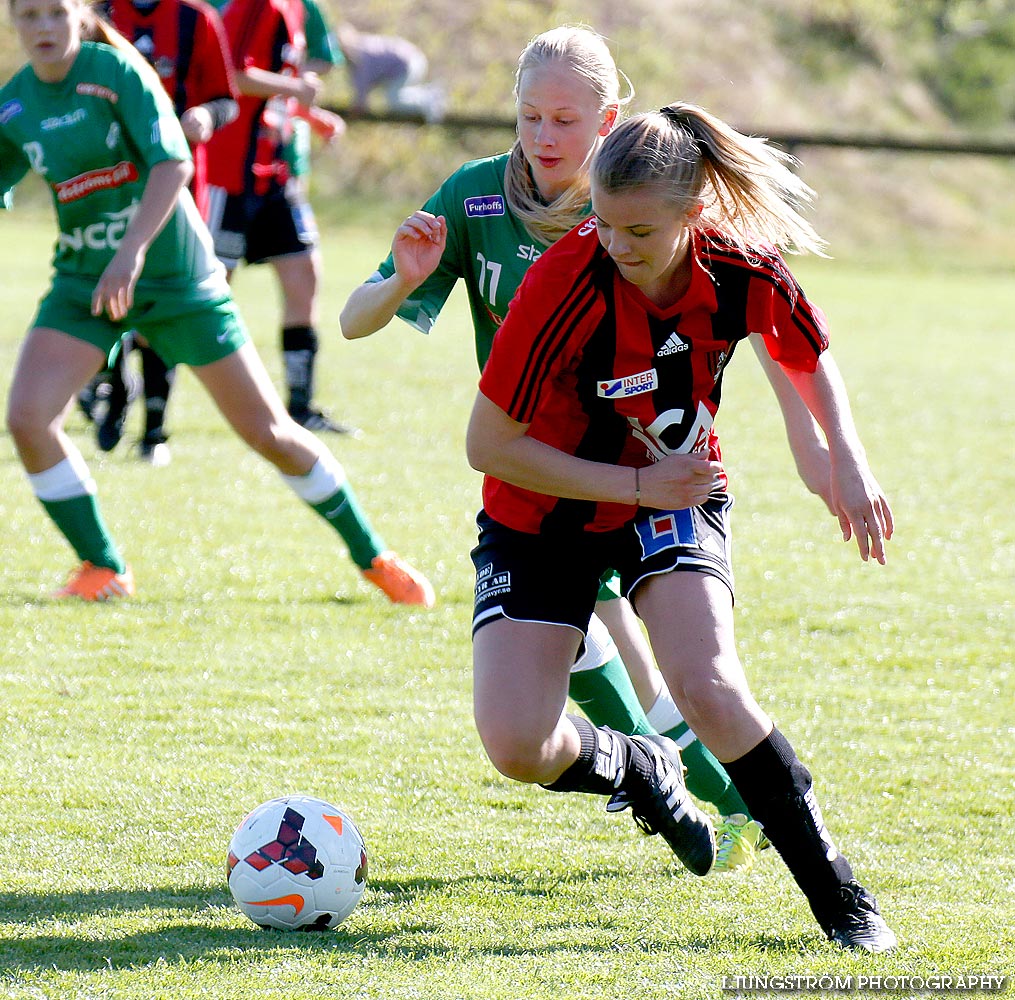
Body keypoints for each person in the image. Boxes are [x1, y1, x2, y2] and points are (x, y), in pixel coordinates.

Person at [341, 26, 833, 874]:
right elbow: (355, 318)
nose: (543, 138)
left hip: (641, 464)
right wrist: (402, 280)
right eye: (529, 116)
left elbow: (763, 313)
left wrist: (815, 442)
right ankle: (672, 785)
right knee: (584, 661)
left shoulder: (637, 203)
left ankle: (724, 802)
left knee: (663, 668)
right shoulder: (475, 196)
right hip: (537, 473)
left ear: (609, 119)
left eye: (565, 120)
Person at [463, 100, 897, 951]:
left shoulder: (739, 265)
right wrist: (633, 482)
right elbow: (488, 445)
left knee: (708, 684)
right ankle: (639, 763)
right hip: (545, 513)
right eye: (602, 222)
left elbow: (805, 352)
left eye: (637, 231)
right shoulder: (563, 282)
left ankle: (839, 897)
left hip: (675, 492)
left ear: (692, 216)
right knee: (517, 745)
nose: (615, 246)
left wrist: (842, 456)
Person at [1, 0, 434, 607]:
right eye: (28, 16)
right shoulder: (15, 103)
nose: (42, 28)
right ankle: (102, 567)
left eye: (54, 13)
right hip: (84, 284)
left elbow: (174, 162)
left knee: (270, 434)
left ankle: (374, 556)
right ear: (14, 23)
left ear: (78, 16)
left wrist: (129, 254)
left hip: (177, 279)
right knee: (26, 418)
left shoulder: (117, 72)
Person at [79, 0, 241, 467]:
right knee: (105, 293)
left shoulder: (196, 19)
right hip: (107, 184)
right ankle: (111, 381)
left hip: (179, 188)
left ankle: (154, 431)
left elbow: (226, 98)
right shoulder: (98, 13)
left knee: (161, 301)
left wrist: (208, 116)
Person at [204, 0, 353, 434]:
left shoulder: (294, 7)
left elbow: (275, 89)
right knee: (203, 293)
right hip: (231, 177)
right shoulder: (256, 5)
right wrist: (295, 90)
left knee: (305, 276)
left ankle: (301, 408)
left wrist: (310, 115)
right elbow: (233, 75)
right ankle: (120, 381)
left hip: (275, 173)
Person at [335, 22, 444, 122]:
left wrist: (351, 118)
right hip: (414, 56)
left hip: (409, 65)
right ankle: (429, 92)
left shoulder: (360, 61)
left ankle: (428, 101)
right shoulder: (362, 42)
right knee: (394, 91)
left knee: (395, 101)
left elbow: (360, 103)